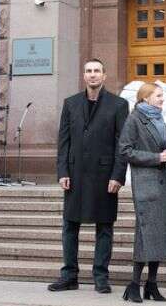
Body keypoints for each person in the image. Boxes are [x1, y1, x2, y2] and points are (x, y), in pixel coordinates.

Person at [49, 58, 129, 293]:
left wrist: (118, 175)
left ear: (104, 76)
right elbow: (63, 141)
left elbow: (122, 144)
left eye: (96, 71)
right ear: (84, 76)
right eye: (88, 71)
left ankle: (101, 277)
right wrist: (62, 171)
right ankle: (69, 276)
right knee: (70, 225)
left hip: (105, 176)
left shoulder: (118, 105)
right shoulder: (71, 103)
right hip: (74, 175)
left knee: (104, 227)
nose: (92, 74)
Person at [118, 83, 166, 303]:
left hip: (163, 183)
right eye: (158, 95)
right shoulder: (134, 119)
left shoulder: (159, 118)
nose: (162, 99)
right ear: (145, 98)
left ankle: (151, 284)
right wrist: (157, 158)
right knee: (145, 234)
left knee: (159, 235)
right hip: (146, 184)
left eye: (162, 95)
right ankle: (134, 284)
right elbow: (125, 151)